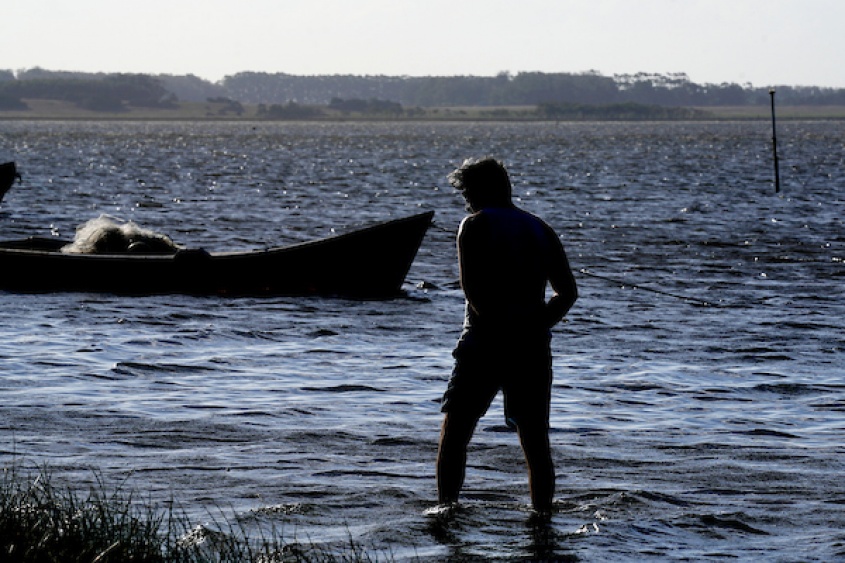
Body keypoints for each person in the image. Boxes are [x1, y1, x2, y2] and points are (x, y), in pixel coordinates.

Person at [436, 157, 578, 514]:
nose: (466, 200)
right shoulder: (539, 228)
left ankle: (446, 511)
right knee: (534, 441)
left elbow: (475, 294)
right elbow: (567, 293)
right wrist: (536, 327)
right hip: (532, 349)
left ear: (482, 190)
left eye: (467, 192)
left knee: (455, 434)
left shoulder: (474, 224)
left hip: (483, 346)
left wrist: (505, 332)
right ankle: (541, 519)